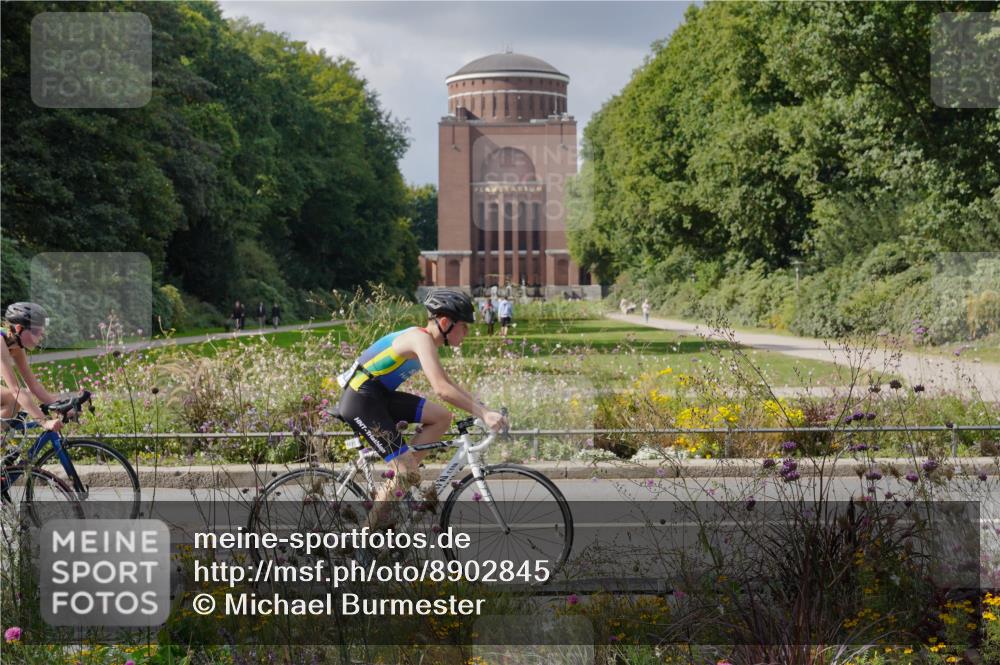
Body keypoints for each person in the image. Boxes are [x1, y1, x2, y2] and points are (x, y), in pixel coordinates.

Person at [335, 289, 506, 529]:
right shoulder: (420, 339)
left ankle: (400, 482)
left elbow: (450, 384)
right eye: (464, 326)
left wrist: (483, 408)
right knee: (407, 472)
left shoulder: (426, 341)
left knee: (442, 417)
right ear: (445, 323)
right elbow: (442, 389)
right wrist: (484, 414)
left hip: (378, 395)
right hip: (361, 400)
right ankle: (365, 537)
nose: (467, 332)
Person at [0, 302, 64, 432]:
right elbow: (15, 389)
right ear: (18, 329)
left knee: (14, 400)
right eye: (35, 331)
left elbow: (34, 386)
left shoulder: (16, 347)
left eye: (41, 331)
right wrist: (44, 422)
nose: (40, 336)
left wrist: (61, 407)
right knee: (13, 398)